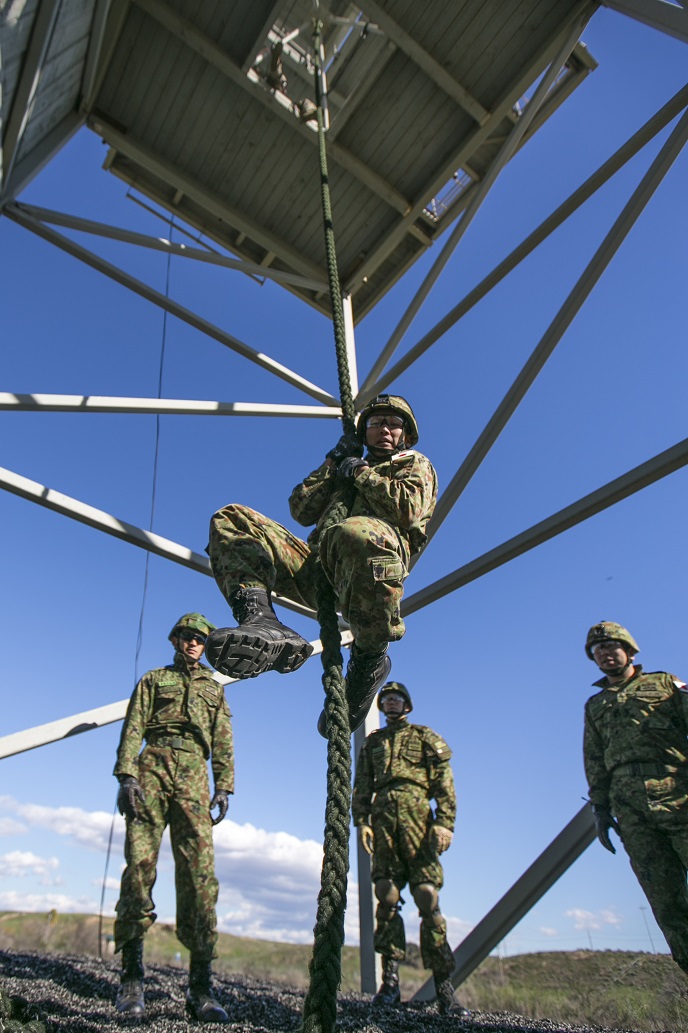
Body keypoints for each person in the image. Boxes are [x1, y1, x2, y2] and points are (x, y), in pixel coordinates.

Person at [205, 394, 437, 735]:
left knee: (352, 531)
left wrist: (362, 473)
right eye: (376, 423)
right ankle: (261, 621)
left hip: (367, 572)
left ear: (407, 434)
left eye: (393, 424)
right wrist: (333, 462)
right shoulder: (344, 470)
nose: (385, 430)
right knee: (233, 519)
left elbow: (408, 510)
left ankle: (369, 662)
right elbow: (301, 509)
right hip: (318, 567)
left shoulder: (413, 463)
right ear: (364, 433)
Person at [113, 613, 233, 1023]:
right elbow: (134, 725)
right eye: (187, 636)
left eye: (200, 638)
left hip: (195, 774)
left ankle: (201, 988)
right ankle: (131, 980)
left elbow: (223, 738)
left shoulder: (214, 689)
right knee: (139, 866)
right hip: (153, 765)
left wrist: (224, 785)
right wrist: (127, 775)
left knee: (200, 875)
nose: (193, 642)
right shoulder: (153, 680)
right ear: (175, 640)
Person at [352, 682, 470, 1016]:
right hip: (383, 818)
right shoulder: (374, 742)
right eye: (387, 699)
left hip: (418, 817)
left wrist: (445, 822)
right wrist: (362, 820)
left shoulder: (424, 737)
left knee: (426, 895)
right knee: (386, 894)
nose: (391, 702)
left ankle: (444, 988)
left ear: (407, 705)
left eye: (397, 698)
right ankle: (389, 984)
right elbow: (362, 784)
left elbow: (444, 782)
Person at [584, 620, 688, 978]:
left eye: (611, 646)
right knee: (666, 903)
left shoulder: (664, 684)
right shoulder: (595, 705)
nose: (605, 653)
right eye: (598, 650)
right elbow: (594, 760)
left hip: (678, 796)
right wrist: (600, 809)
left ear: (628, 650)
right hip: (632, 812)